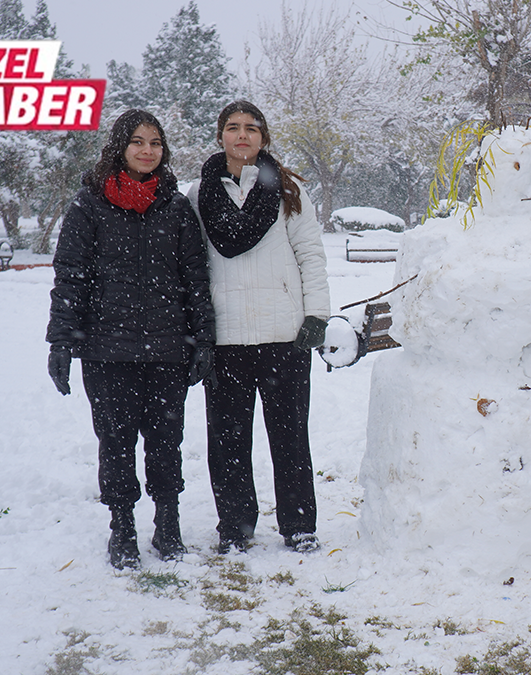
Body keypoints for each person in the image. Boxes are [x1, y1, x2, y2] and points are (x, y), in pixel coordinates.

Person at [47, 109, 216, 570]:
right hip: (106, 350)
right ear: (121, 146)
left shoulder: (177, 207)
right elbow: (71, 277)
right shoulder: (89, 205)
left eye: (156, 143)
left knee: (166, 440)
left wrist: (203, 339)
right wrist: (61, 342)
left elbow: (195, 277)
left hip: (166, 348)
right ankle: (122, 525)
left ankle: (168, 522)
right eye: (139, 141)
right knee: (116, 442)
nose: (147, 150)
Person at [188, 100, 330, 555]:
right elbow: (191, 267)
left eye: (251, 128)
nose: (242, 135)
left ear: (263, 137)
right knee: (227, 440)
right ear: (221, 136)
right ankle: (235, 525)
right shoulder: (198, 195)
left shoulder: (288, 191)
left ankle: (299, 524)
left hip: (284, 336)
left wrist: (317, 316)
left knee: (290, 436)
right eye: (233, 127)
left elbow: (311, 254)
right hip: (226, 339)